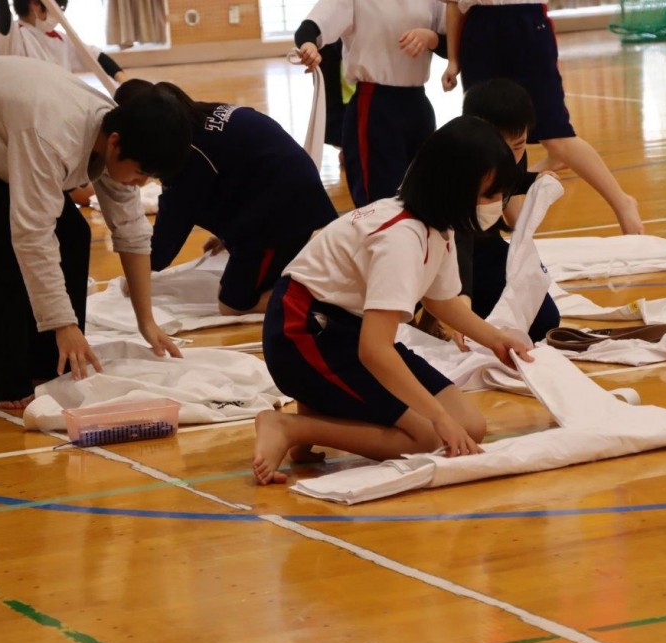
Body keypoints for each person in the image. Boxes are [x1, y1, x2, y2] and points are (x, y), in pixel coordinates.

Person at [253, 116, 534, 485]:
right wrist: (436, 417)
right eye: (489, 195)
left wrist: (496, 339)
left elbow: (441, 300)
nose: (496, 205)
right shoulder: (401, 237)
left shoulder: (437, 223)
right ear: (455, 187)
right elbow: (375, 350)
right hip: (302, 334)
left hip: (342, 329)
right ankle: (292, 427)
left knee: (470, 426)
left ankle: (316, 411)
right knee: (428, 437)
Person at [0, 57, 192, 409]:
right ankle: (1, 380)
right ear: (114, 143)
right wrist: (63, 324)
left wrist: (146, 322)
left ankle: (48, 361)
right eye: (141, 172)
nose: (141, 184)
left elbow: (131, 231)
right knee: (3, 244)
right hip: (2, 137)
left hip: (13, 126)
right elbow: (32, 234)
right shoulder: (52, 136)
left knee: (75, 235)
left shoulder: (122, 134)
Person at [113, 80, 340, 316]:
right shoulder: (198, 114)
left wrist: (138, 273)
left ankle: (323, 297)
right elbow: (237, 173)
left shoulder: (184, 153)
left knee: (233, 305)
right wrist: (228, 234)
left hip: (286, 212)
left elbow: (169, 233)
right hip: (290, 192)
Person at [439, 0, 644, 235]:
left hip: (527, 26)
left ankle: (622, 203)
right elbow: (453, 5)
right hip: (479, 32)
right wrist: (453, 60)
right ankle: (512, 218)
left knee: (556, 134)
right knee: (489, 136)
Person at [293, 0, 446, 208]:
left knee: (424, 196)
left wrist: (431, 38)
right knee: (379, 200)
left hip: (418, 104)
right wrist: (308, 46)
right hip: (375, 105)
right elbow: (310, 28)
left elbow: (449, 43)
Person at [451, 78, 560, 344]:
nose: (510, 157)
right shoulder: (459, 167)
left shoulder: (512, 156)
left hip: (487, 246)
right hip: (442, 256)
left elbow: (513, 179)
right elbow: (460, 239)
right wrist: (462, 301)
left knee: (544, 322)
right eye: (502, 147)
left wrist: (536, 180)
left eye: (519, 146)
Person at [0, 0, 129, 207]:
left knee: (103, 180)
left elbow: (95, 56)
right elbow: (0, 11)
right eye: (59, 8)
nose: (59, 15)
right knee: (86, 194)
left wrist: (123, 80)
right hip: (33, 132)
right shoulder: (15, 36)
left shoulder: (61, 39)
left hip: (64, 125)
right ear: (36, 6)